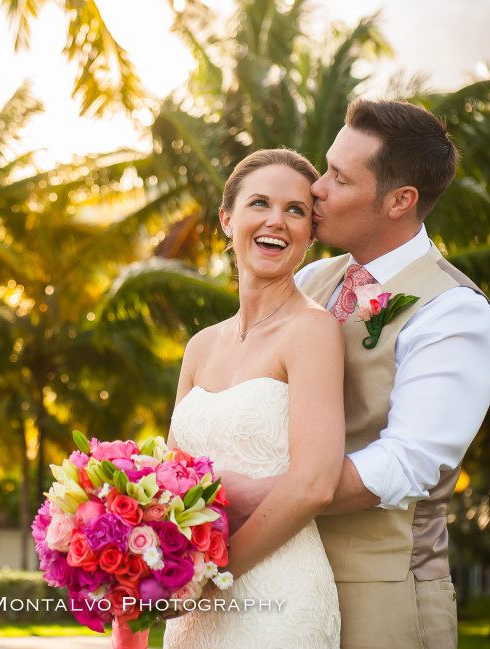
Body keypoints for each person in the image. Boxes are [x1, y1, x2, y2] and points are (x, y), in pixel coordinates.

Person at [219, 99, 490, 649]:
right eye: (325, 167)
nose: (316, 189)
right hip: (279, 581)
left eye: (339, 178)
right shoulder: (313, 279)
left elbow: (406, 462)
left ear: (400, 201)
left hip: (382, 592)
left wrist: (256, 495)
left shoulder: (455, 314)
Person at [162, 148, 345, 648]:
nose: (276, 221)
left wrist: (210, 577)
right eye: (259, 203)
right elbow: (168, 479)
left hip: (277, 596)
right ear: (227, 219)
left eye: (295, 210)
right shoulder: (200, 346)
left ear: (311, 233)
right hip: (189, 609)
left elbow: (313, 485)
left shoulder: (312, 331)